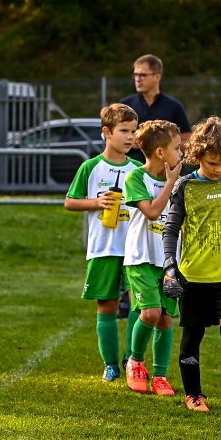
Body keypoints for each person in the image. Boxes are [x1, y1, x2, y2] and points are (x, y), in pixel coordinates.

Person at [161, 117, 221, 415]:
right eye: (212, 162)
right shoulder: (186, 186)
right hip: (193, 277)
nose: (219, 169)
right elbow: (171, 228)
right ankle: (194, 395)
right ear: (196, 155)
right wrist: (170, 265)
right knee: (192, 338)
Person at [62, 103, 138, 381]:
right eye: (124, 131)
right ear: (107, 132)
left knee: (140, 305)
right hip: (104, 247)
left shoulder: (138, 169)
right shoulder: (91, 167)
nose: (130, 137)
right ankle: (110, 364)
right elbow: (70, 202)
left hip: (135, 250)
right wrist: (96, 202)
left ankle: (133, 358)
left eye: (134, 130)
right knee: (108, 305)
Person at [121, 119, 182, 396]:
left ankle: (160, 376)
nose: (181, 154)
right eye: (177, 148)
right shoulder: (136, 177)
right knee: (150, 313)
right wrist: (170, 183)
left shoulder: (181, 183)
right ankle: (135, 361)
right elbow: (153, 212)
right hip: (141, 258)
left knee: (166, 319)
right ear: (161, 153)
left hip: (168, 261)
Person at [120, 54, 191, 161]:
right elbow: (112, 137)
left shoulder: (174, 106)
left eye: (142, 75)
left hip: (164, 170)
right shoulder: (125, 105)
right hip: (131, 168)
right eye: (136, 75)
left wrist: (162, 143)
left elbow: (187, 141)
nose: (138, 79)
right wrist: (129, 140)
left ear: (157, 77)